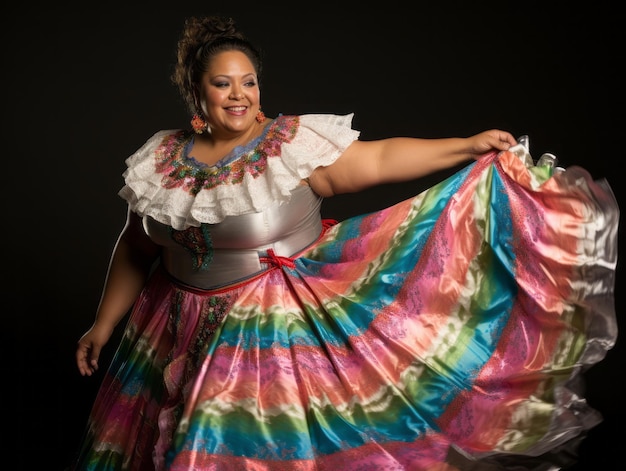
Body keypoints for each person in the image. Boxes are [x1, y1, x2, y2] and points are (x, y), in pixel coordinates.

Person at [69, 14, 619, 471]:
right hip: (173, 327)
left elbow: (378, 158)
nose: (239, 94)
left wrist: (465, 145)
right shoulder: (159, 159)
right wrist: (103, 323)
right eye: (222, 83)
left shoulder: (288, 148)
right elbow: (137, 246)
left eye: (249, 82)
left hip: (271, 332)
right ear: (196, 90)